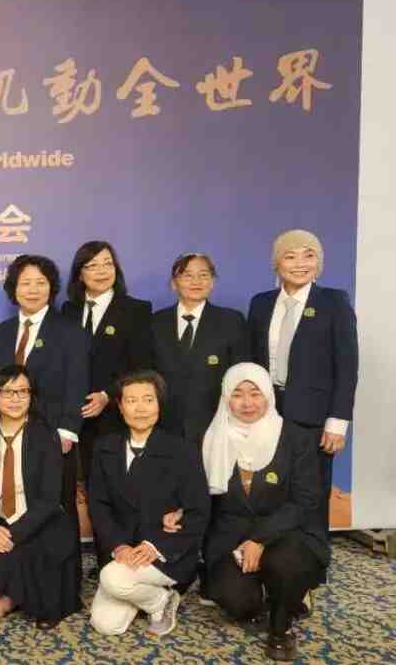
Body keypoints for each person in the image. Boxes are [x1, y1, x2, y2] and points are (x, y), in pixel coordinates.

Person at [202, 363, 329, 661]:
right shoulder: (212, 438)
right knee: (234, 600)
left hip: (287, 533)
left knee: (287, 565)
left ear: (268, 396)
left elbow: (305, 501)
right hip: (232, 535)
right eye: (237, 394)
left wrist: (259, 539)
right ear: (225, 398)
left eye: (255, 393)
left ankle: (281, 628)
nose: (247, 403)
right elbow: (201, 498)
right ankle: (278, 592)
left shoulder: (295, 437)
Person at [247, 230, 358, 539]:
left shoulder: (334, 302)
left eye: (308, 256)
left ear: (318, 263)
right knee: (268, 487)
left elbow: (347, 366)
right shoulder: (261, 303)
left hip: (314, 417)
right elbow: (252, 361)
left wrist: (337, 422)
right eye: (290, 256)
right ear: (277, 263)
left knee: (311, 492)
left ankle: (312, 556)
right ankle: (270, 551)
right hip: (267, 413)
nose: (300, 264)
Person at [0, 254, 89, 591]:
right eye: (25, 283)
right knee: (20, 508)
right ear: (13, 288)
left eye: (40, 283)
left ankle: (64, 585)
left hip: (54, 435)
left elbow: (77, 382)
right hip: (11, 434)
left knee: (58, 510)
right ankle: (21, 580)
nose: (32, 290)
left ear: (52, 288)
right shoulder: (4, 331)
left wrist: (67, 430)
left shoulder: (69, 330)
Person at [87, 370, 209, 637]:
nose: (140, 408)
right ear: (120, 407)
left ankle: (159, 596)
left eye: (148, 400)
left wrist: (156, 546)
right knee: (106, 625)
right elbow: (98, 505)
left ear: (159, 405)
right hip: (122, 553)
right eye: (131, 401)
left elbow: (198, 512)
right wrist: (118, 545)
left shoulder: (183, 450)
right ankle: (155, 597)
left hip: (165, 554)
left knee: (112, 579)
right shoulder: (104, 447)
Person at [0, 364, 81, 628]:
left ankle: (32, 592)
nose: (15, 399)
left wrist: (7, 537)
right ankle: (20, 591)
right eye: (7, 392)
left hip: (40, 527)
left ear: (31, 395)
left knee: (45, 608)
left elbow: (49, 500)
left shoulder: (45, 435)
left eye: (23, 391)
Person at [61, 241, 152, 572]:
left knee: (118, 491)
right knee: (89, 492)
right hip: (76, 421)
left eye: (107, 264)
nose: (101, 271)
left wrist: (107, 395)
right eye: (92, 265)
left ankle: (124, 563)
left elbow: (142, 367)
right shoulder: (68, 311)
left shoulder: (136, 310)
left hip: (116, 417)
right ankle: (99, 563)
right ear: (80, 274)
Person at [149, 253, 250, 446]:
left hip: (215, 425)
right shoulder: (155, 322)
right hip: (164, 425)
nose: (196, 281)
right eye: (187, 275)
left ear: (212, 282)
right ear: (174, 283)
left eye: (203, 275)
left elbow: (241, 374)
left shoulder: (231, 321)